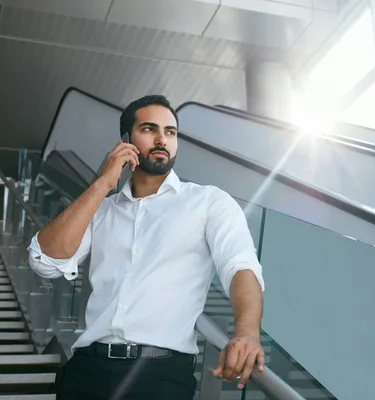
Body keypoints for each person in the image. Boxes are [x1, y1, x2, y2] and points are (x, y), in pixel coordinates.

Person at [28, 95, 266, 400]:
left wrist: (246, 333)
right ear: (125, 140)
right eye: (149, 129)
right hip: (86, 371)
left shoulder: (208, 202)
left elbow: (240, 265)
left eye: (170, 132)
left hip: (160, 376)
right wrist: (102, 183)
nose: (161, 140)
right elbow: (44, 261)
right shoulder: (100, 210)